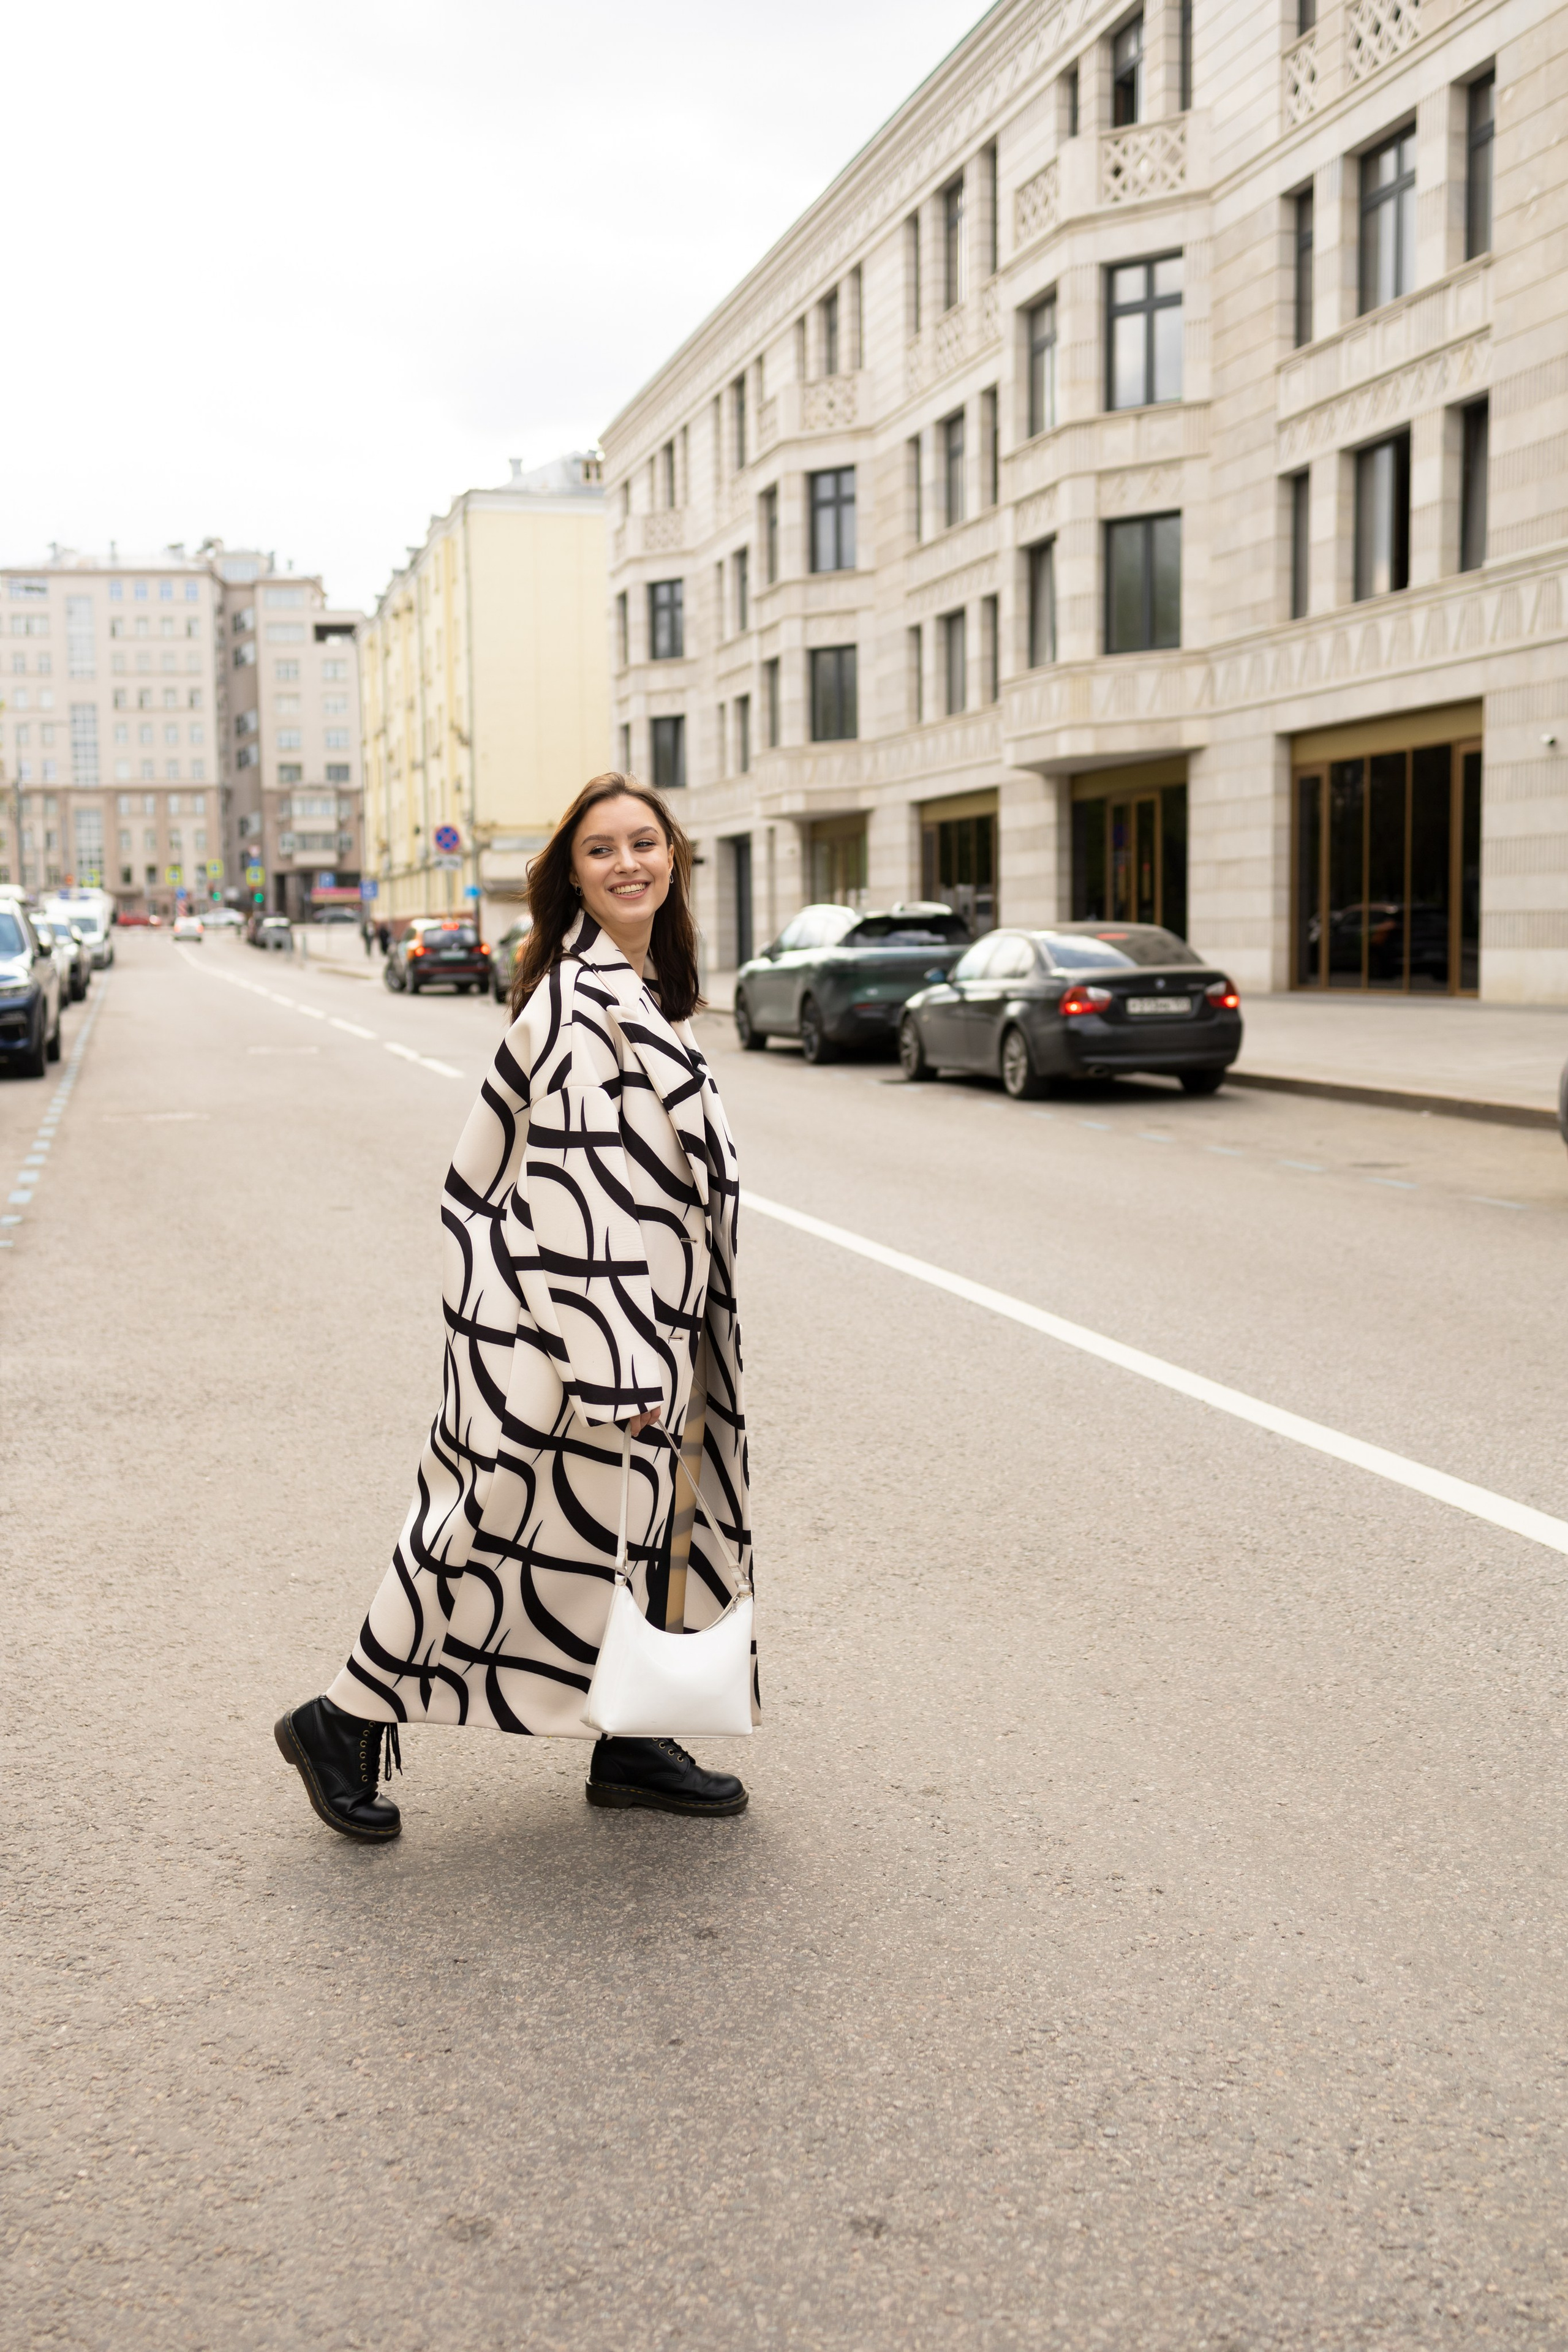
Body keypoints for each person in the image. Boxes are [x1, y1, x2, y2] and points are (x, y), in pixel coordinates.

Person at [275, 772, 756, 1836]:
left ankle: (630, 1740)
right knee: (488, 1524)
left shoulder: (632, 986)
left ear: (672, 855)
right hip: (573, 1324)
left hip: (628, 1318)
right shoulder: (585, 1001)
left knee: (627, 1531)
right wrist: (620, 1361)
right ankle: (339, 1719)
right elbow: (580, 1188)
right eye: (601, 850)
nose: (628, 862)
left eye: (644, 842)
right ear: (573, 874)